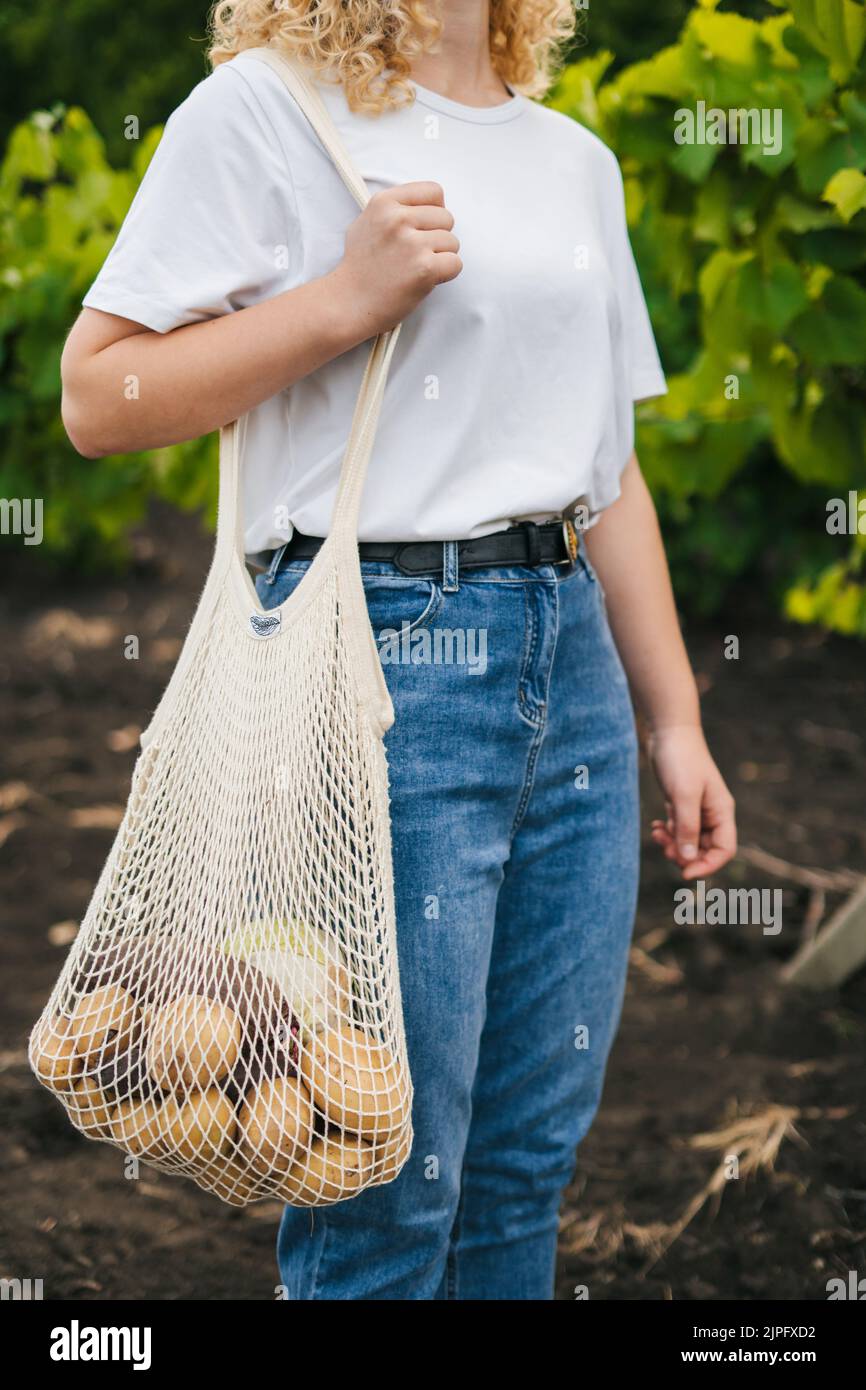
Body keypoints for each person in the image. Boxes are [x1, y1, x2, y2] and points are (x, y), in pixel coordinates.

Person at [60, 0, 737, 1300]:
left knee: (525, 1159)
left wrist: (673, 719)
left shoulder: (569, 162)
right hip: (381, 662)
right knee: (382, 1169)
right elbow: (101, 397)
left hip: (573, 668)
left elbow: (608, 472)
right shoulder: (270, 110)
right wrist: (342, 301)